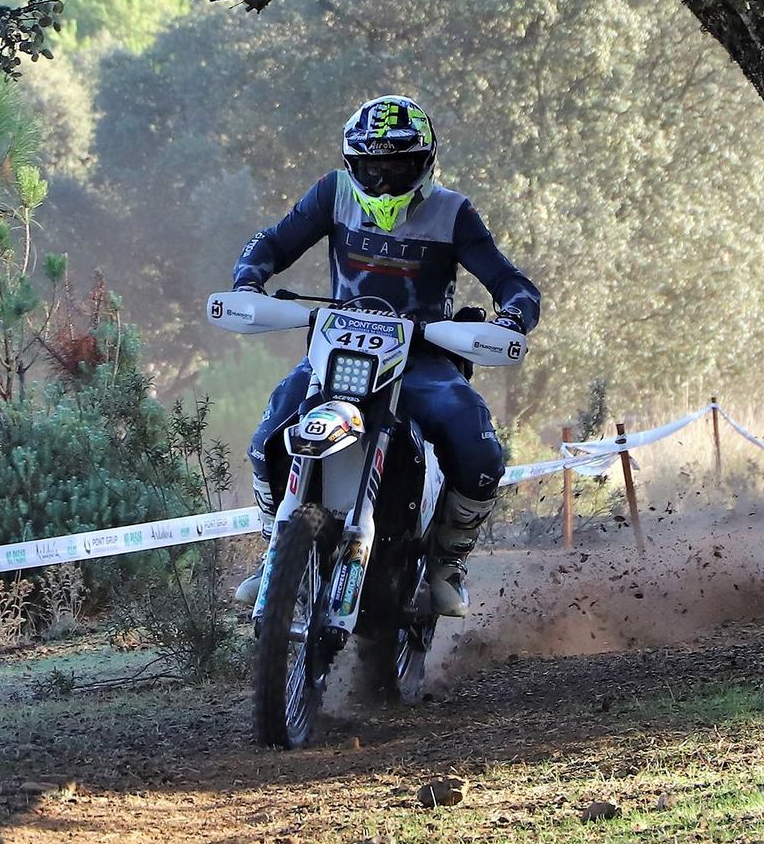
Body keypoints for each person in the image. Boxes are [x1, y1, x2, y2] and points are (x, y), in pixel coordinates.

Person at [229, 94, 539, 618]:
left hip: (423, 360)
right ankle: (275, 554)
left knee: (480, 450)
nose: (384, 180)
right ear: (353, 165)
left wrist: (510, 318)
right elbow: (272, 243)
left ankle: (446, 561)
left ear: (424, 163)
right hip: (337, 354)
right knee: (265, 442)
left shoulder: (453, 212)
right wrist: (248, 281)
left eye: (397, 166)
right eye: (371, 167)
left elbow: (514, 284)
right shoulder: (333, 193)